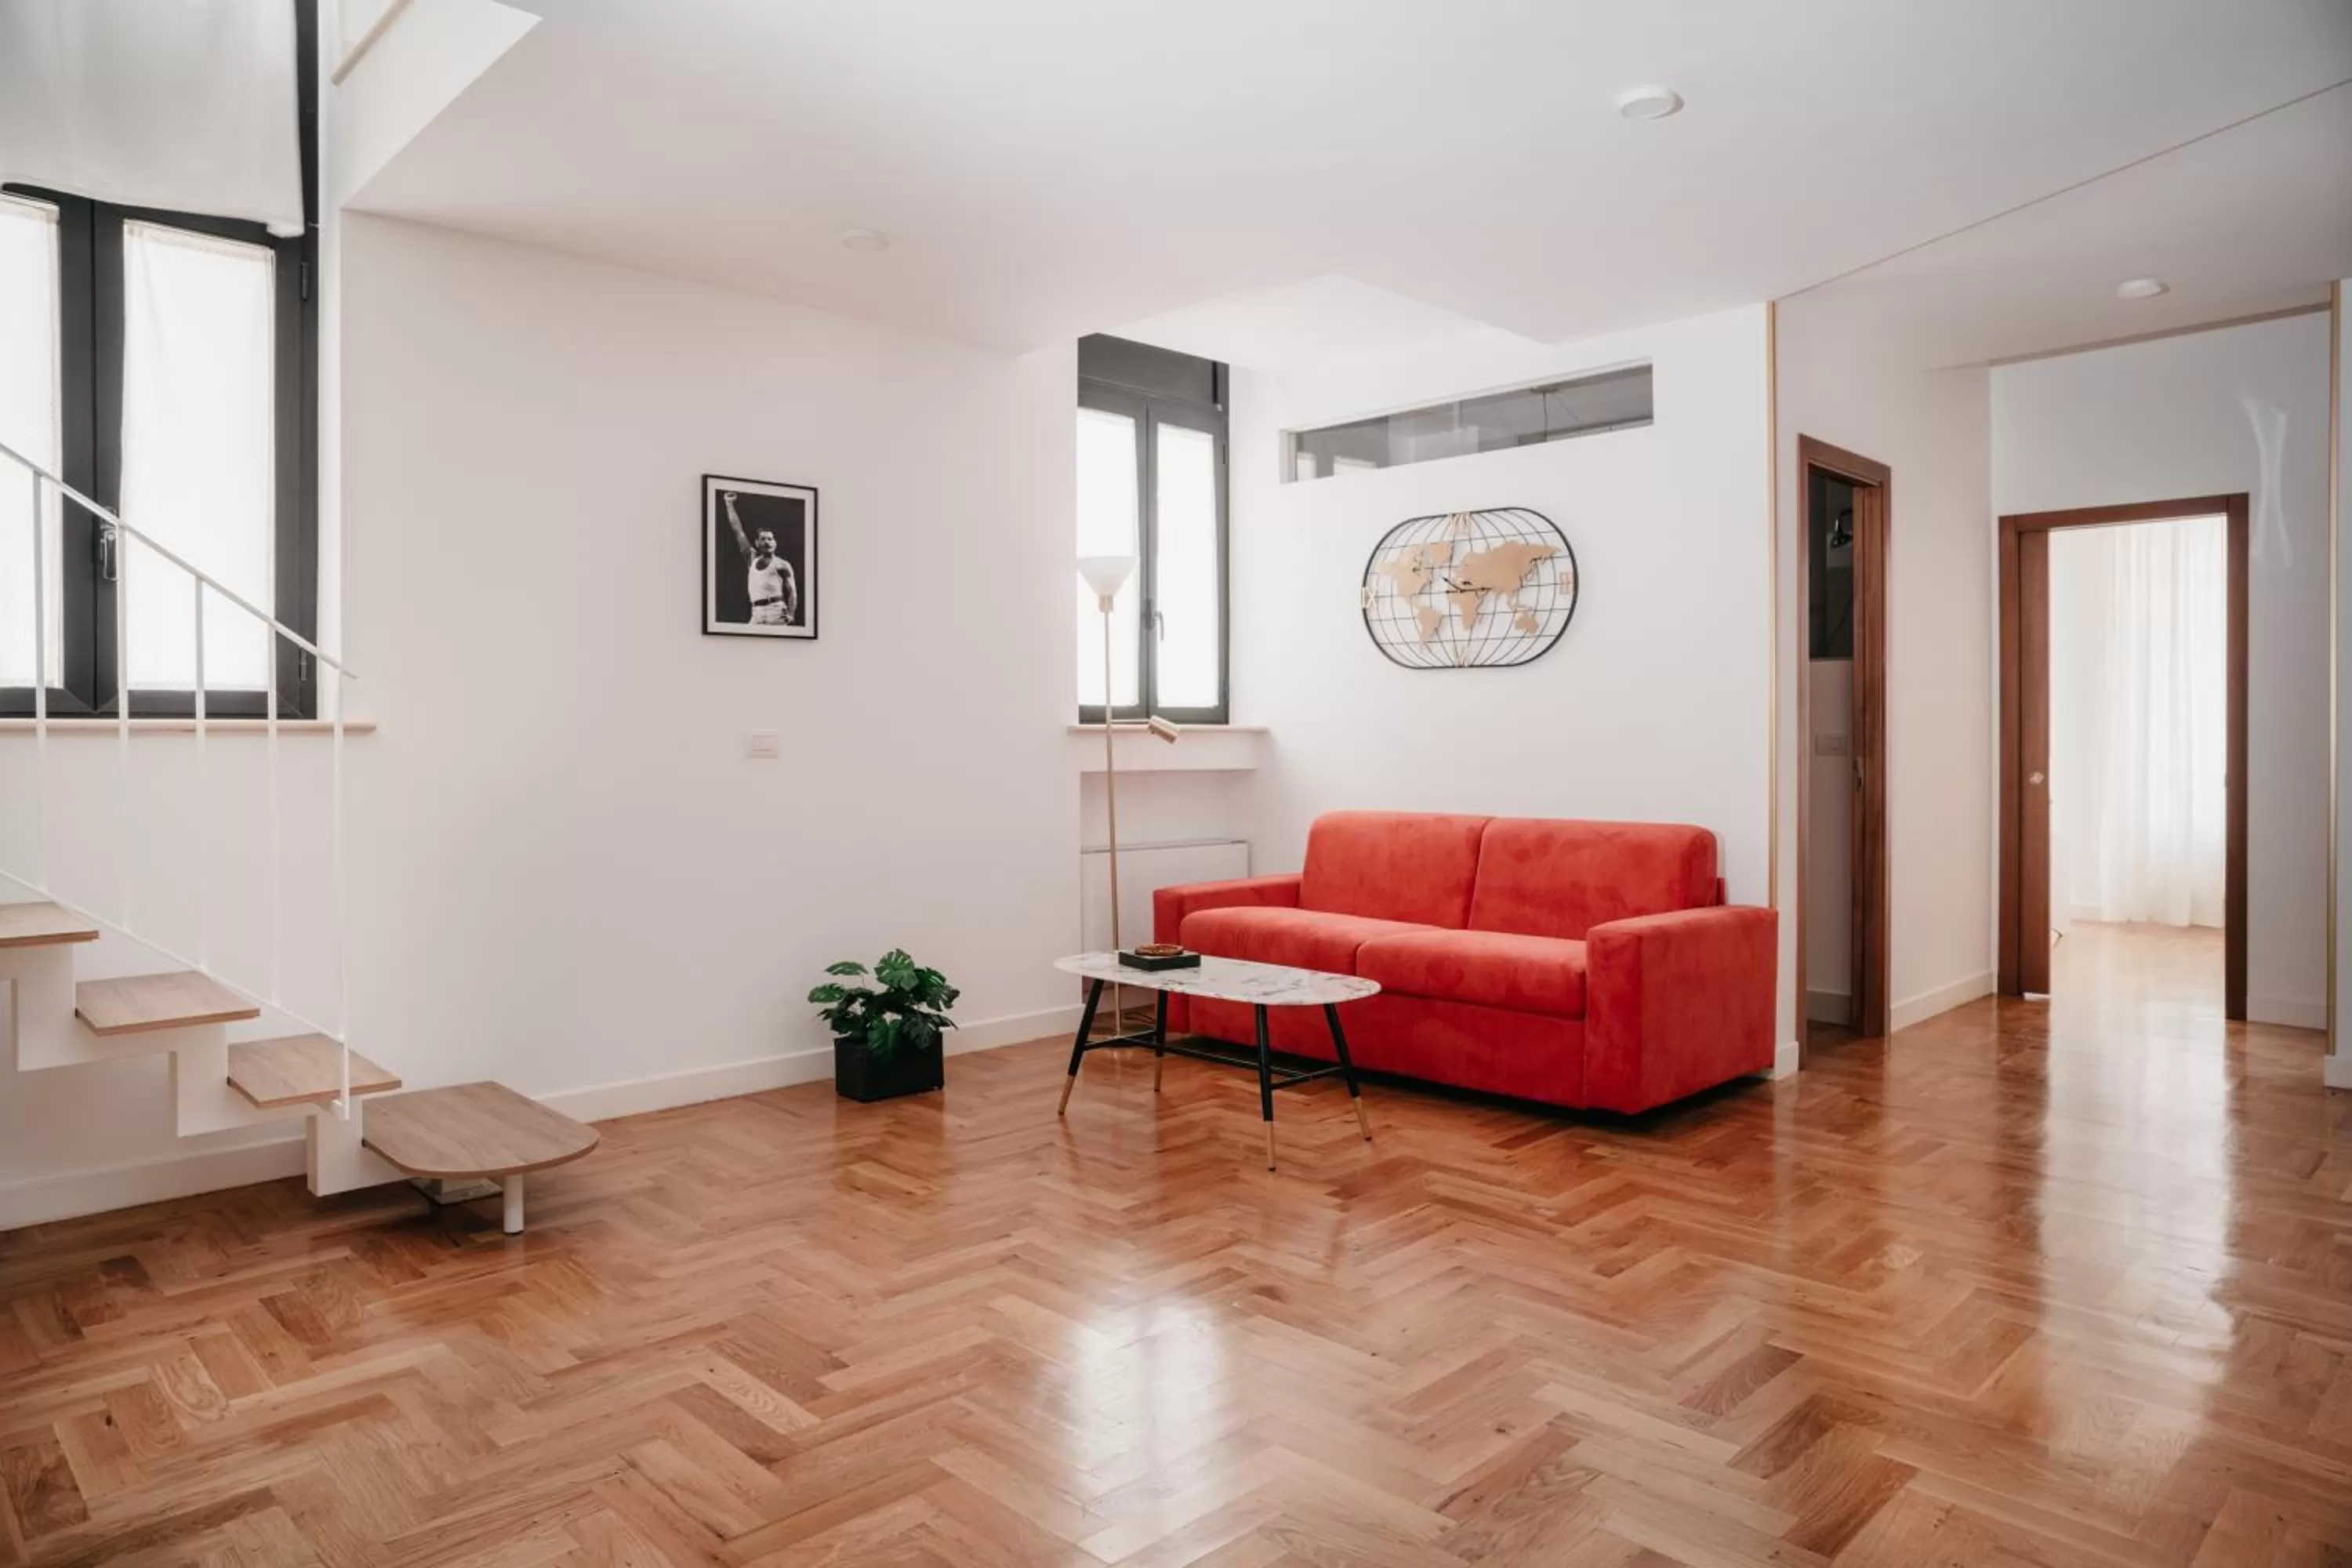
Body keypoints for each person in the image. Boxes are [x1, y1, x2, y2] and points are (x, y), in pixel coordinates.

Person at [723, 491, 797, 626]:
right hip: (756, 612)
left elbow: (792, 592)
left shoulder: (782, 565)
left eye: (770, 539)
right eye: (763, 539)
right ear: (757, 543)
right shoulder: (752, 558)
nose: (767, 542)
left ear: (775, 542)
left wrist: (791, 614)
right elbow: (738, 531)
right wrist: (729, 504)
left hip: (776, 612)